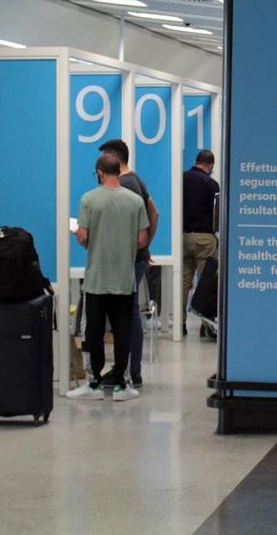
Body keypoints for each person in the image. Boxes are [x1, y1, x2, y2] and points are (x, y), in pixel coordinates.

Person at [67, 153, 149, 402]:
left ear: (100, 172)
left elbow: (82, 237)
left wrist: (94, 240)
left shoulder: (89, 199)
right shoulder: (135, 201)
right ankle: (123, 384)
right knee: (123, 330)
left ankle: (93, 383)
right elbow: (142, 239)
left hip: (96, 279)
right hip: (124, 279)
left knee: (93, 330)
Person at [98, 138, 159, 389]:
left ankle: (129, 370)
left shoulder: (125, 185)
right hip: (136, 257)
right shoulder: (138, 181)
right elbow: (154, 212)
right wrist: (145, 246)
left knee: (127, 313)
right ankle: (132, 370)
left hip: (125, 259)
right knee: (130, 312)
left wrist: (140, 247)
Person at [182, 150, 220, 338]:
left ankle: (180, 326)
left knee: (183, 283)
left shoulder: (181, 179)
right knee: (207, 284)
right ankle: (207, 325)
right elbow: (217, 214)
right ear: (210, 166)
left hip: (182, 238)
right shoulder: (212, 185)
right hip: (205, 238)